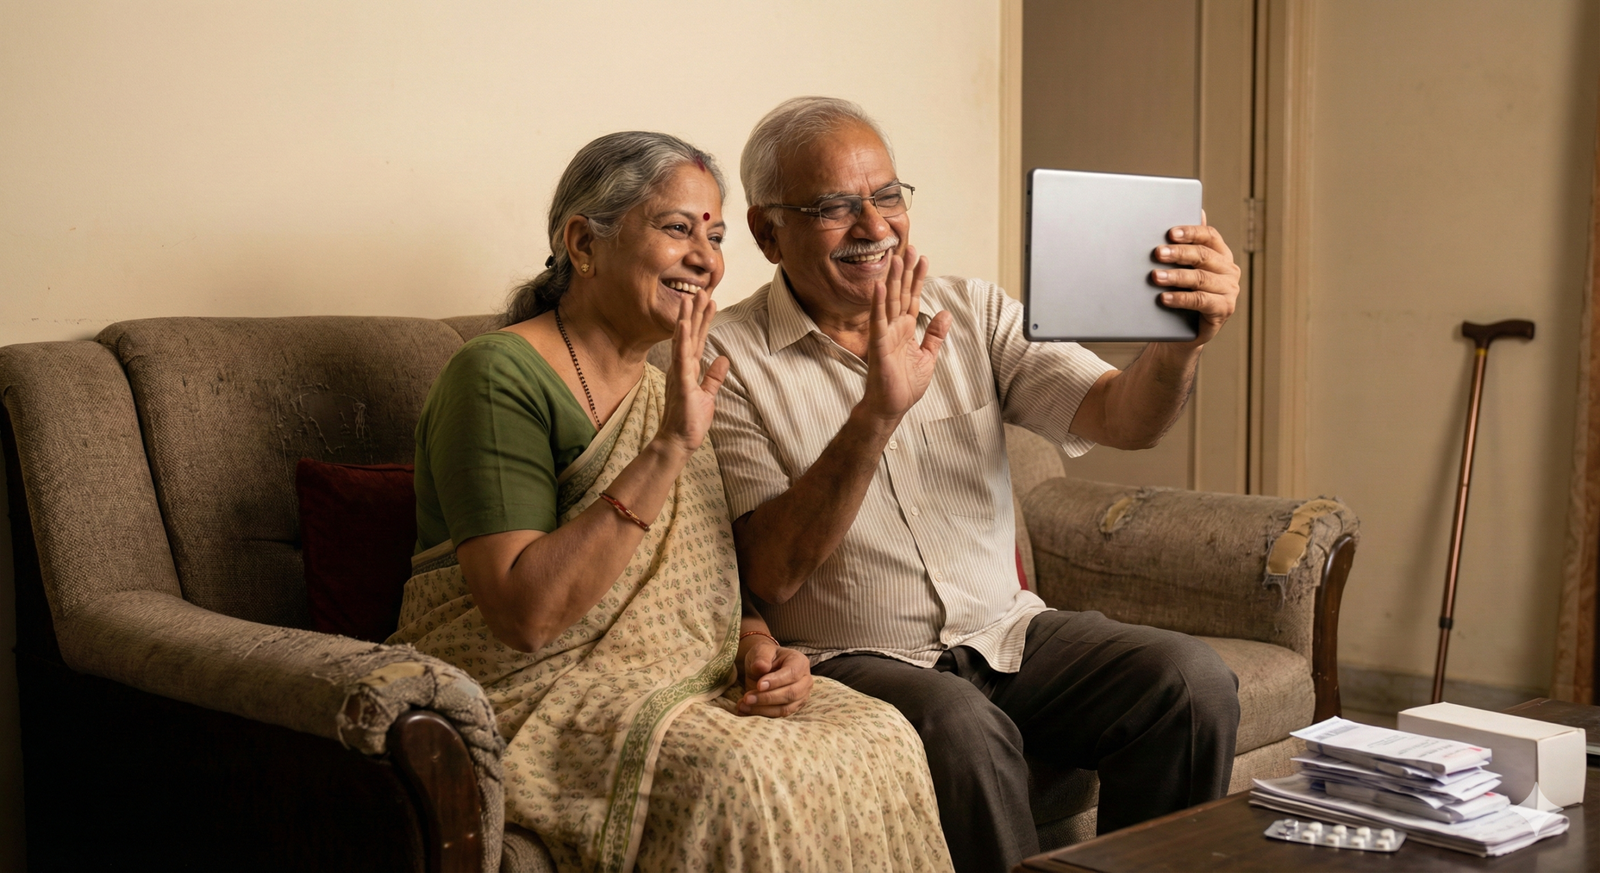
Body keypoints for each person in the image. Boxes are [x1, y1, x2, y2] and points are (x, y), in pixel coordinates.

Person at [701, 97, 1245, 872]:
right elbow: (772, 570)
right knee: (962, 726)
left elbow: (1124, 416)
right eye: (833, 207)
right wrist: (877, 413)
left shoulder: (971, 311)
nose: (874, 226)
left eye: (887, 196)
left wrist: (1181, 344)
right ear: (766, 232)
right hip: (852, 655)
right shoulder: (723, 358)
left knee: (1190, 683)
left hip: (1007, 634)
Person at [390, 131, 952, 873]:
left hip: (675, 682)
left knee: (881, 734)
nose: (705, 259)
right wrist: (668, 448)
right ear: (583, 244)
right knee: (743, 775)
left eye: (714, 237)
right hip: (527, 693)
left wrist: (757, 647)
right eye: (678, 228)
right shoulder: (497, 374)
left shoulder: (669, 385)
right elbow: (524, 617)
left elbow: (706, 576)